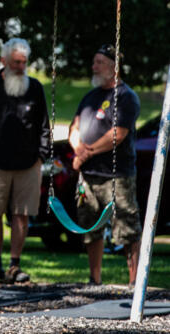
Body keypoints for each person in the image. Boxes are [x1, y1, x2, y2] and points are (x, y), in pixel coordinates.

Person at [0, 38, 50, 284]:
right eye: (16, 62)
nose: (20, 66)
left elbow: (44, 125)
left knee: (21, 214)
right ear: (4, 61)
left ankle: (14, 265)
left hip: (28, 164)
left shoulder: (35, 87)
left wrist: (41, 156)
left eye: (24, 62)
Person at [69, 44, 141, 286]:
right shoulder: (91, 96)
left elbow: (118, 134)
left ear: (114, 67)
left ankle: (134, 282)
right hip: (88, 176)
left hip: (116, 174)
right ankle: (94, 278)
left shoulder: (126, 97)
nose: (94, 67)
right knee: (90, 227)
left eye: (99, 62)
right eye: (94, 61)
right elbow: (74, 127)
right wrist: (77, 148)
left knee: (127, 227)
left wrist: (85, 153)